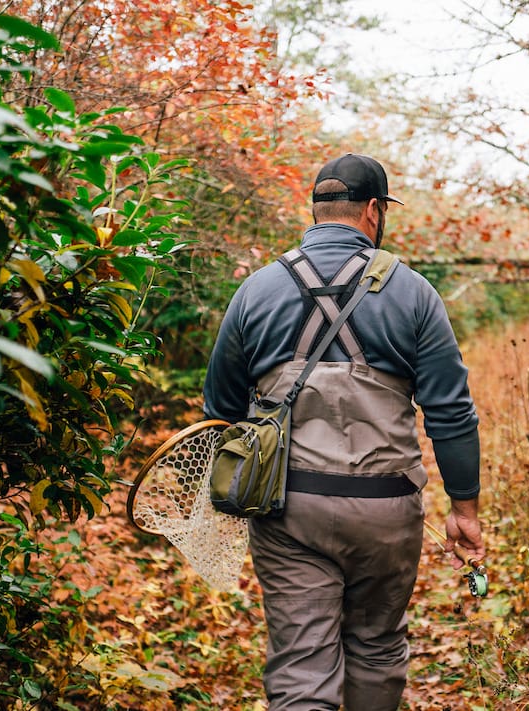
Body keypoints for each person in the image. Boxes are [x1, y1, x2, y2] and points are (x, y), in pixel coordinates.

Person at [203, 153, 483, 711]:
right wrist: (465, 510)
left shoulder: (257, 290)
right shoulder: (414, 293)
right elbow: (450, 411)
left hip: (288, 509)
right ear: (374, 211)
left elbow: (220, 407)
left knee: (302, 663)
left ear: (316, 209)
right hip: (386, 511)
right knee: (377, 648)